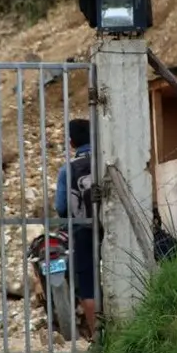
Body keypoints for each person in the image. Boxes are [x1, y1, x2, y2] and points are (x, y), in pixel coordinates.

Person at [54, 118, 100, 341]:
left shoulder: (67, 171)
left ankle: (98, 336)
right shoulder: (105, 162)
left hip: (83, 231)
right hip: (110, 228)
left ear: (71, 142)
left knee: (87, 281)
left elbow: (61, 207)